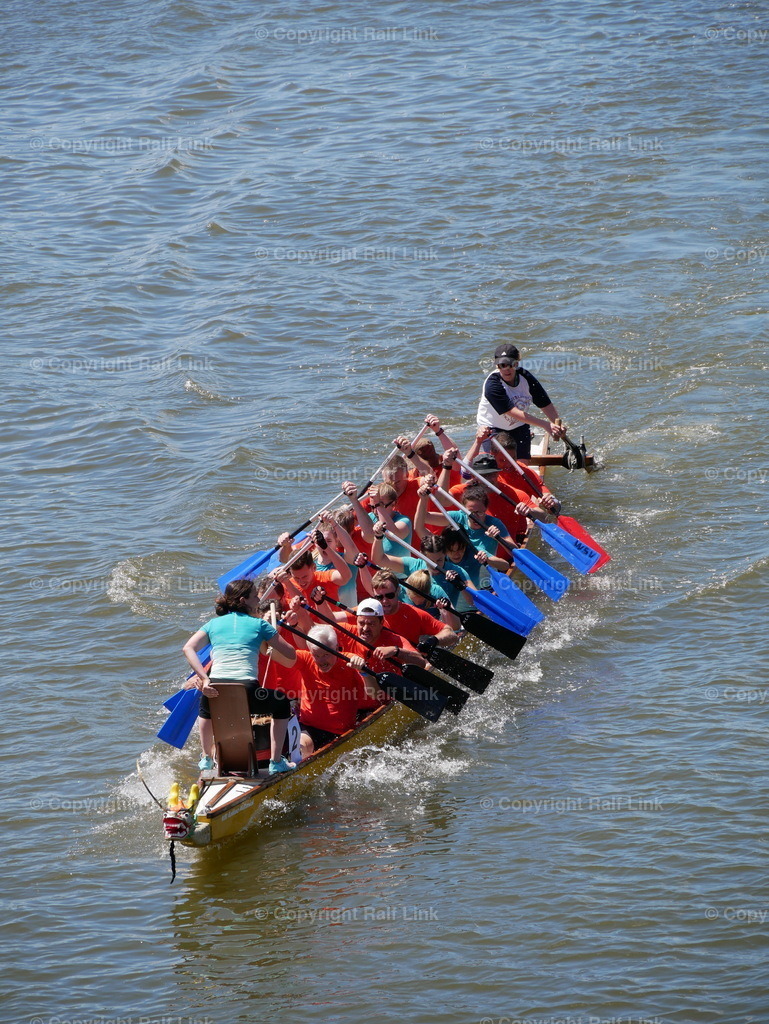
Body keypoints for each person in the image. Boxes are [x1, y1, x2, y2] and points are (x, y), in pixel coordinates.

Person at [182, 578, 299, 776]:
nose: (259, 600)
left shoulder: (213, 624)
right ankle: (276, 761)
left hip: (216, 688)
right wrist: (271, 638)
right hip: (248, 691)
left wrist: (204, 678)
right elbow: (291, 655)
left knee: (206, 708)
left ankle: (206, 758)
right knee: (281, 703)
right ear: (244, 600)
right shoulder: (260, 624)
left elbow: (188, 648)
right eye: (255, 597)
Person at [292, 625, 378, 757]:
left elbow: (374, 694)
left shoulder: (350, 661)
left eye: (326, 654)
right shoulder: (305, 658)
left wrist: (365, 672)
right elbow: (280, 653)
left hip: (341, 733)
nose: (322, 661)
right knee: (302, 748)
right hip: (309, 727)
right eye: (317, 655)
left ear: (336, 648)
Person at [477, 344, 566, 459]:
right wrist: (545, 425)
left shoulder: (526, 378)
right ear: (497, 366)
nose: (506, 369)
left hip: (519, 426)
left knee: (522, 466)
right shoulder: (492, 385)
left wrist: (557, 425)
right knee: (499, 467)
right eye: (502, 365)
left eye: (511, 364)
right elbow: (512, 412)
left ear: (517, 364)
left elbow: (545, 403)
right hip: (493, 427)